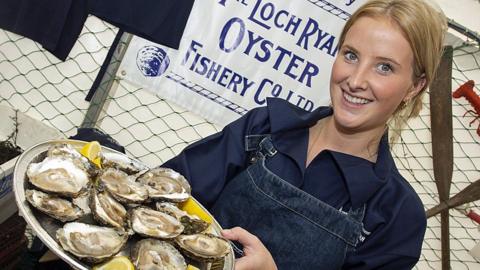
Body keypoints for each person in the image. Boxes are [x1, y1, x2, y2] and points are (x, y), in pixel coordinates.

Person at [162, 0, 447, 269]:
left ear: (414, 87)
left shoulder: (396, 214)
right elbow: (169, 193)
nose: (356, 80)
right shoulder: (265, 128)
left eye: (384, 67)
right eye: (351, 55)